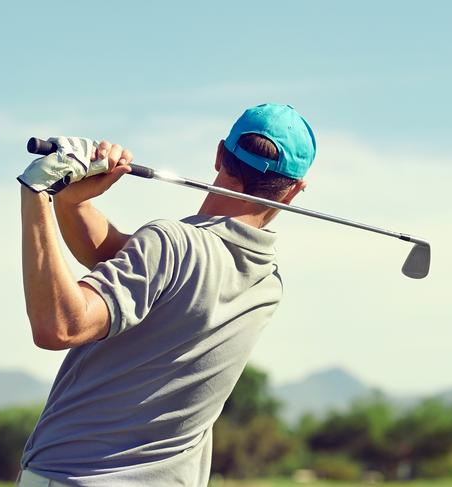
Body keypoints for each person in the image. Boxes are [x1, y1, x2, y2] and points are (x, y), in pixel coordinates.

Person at [17, 103, 316, 486]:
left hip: (76, 476)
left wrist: (38, 192)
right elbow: (118, 260)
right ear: (293, 191)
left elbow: (58, 325)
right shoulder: (267, 282)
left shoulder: (170, 245)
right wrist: (73, 199)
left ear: (220, 154)